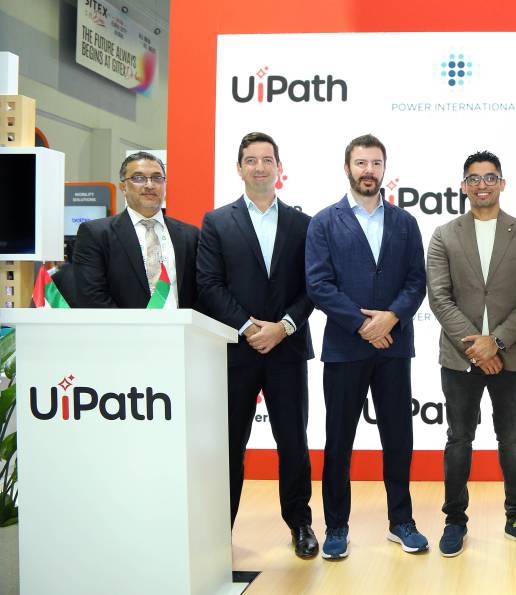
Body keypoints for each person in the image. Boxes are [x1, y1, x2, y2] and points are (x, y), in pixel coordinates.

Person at [305, 133, 428, 559]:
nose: (369, 171)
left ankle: (401, 522)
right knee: (339, 442)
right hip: (345, 348)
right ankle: (336, 527)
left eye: (376, 163)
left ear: (384, 169)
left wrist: (391, 318)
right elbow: (319, 284)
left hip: (394, 346)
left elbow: (416, 281)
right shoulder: (324, 222)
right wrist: (362, 324)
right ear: (347, 168)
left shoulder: (405, 223)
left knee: (399, 439)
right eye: (361, 163)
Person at [197, 132, 317, 558]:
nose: (260, 167)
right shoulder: (217, 222)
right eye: (251, 160)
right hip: (237, 351)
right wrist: (249, 328)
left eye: (268, 160)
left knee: (293, 442)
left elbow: (313, 285)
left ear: (279, 167)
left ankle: (300, 523)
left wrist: (283, 326)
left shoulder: (304, 224)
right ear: (239, 168)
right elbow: (208, 284)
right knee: (230, 444)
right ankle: (219, 531)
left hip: (287, 349)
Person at [426, 150, 516, 556]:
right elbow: (439, 298)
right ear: (464, 186)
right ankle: (454, 521)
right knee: (459, 439)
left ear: (502, 183)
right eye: (474, 178)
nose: (482, 185)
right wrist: (477, 348)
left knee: (512, 439)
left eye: (490, 177)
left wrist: (496, 341)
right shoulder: (444, 235)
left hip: (511, 356)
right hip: (459, 358)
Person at [74, 151, 198, 308]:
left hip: (181, 323)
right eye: (138, 178)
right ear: (123, 187)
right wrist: (133, 324)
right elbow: (91, 295)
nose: (149, 185)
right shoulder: (96, 234)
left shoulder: (190, 235)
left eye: (157, 178)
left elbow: (200, 291)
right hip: (119, 324)